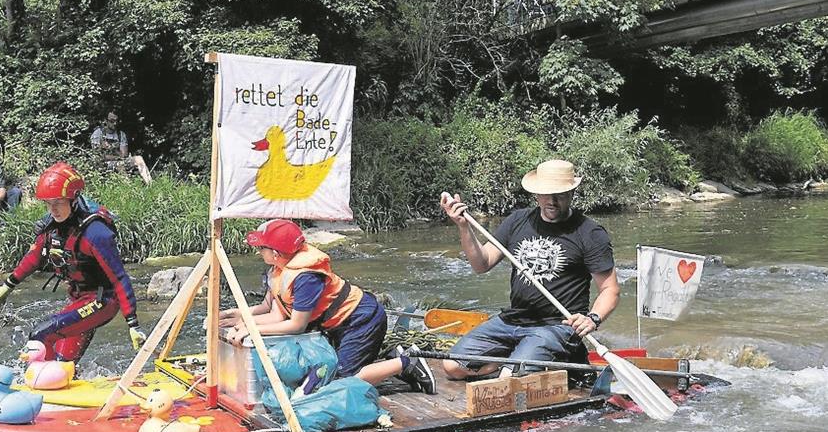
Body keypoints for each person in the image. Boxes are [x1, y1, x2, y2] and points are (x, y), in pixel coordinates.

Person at [430, 159, 619, 379]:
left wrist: (592, 319)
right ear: (536, 194)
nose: (552, 201)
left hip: (557, 326)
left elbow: (610, 289)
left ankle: (530, 362)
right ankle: (516, 361)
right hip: (512, 321)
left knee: (510, 379)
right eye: (546, 194)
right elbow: (482, 264)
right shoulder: (518, 220)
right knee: (453, 368)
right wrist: (463, 227)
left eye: (560, 194)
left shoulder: (590, 233)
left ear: (572, 193)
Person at [222, 219, 437, 394]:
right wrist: (239, 318)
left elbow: (296, 325)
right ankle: (390, 358)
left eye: (261, 248)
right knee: (321, 374)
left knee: (341, 381)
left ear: (276, 253)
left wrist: (252, 328)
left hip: (360, 321)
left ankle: (408, 362)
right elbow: (276, 314)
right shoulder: (279, 269)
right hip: (337, 325)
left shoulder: (306, 278)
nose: (259, 251)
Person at [0, 162, 146, 363]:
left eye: (58, 203)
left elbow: (119, 278)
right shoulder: (51, 228)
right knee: (62, 361)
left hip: (102, 301)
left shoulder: (95, 233)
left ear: (73, 200)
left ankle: (42, 379)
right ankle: (62, 379)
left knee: (40, 334)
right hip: (79, 301)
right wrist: (8, 284)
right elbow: (35, 256)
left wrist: (132, 324)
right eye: (48, 203)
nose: (53, 209)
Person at [90, 111, 152, 184]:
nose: (115, 124)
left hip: (119, 160)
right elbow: (97, 155)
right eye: (112, 121)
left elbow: (124, 155)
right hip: (104, 164)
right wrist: (112, 154)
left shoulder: (121, 134)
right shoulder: (98, 133)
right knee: (120, 165)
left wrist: (111, 148)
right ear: (106, 121)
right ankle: (129, 189)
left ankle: (150, 185)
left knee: (138, 159)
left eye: (116, 121)